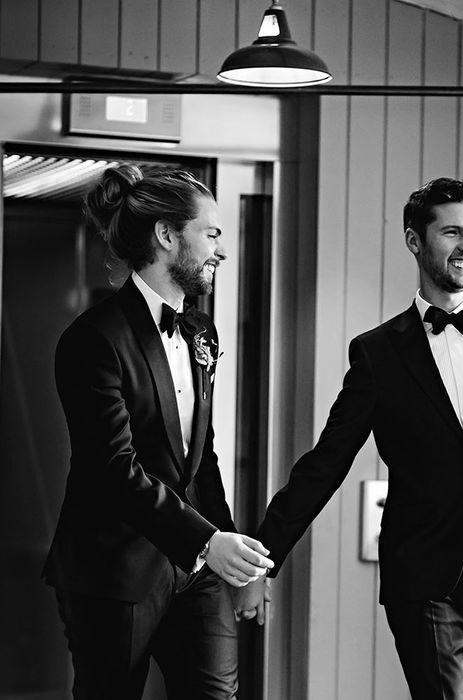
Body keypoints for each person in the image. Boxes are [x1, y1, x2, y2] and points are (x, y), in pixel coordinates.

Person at [238, 177, 463, 698]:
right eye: (451, 232)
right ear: (415, 241)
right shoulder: (378, 354)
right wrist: (262, 558)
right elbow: (325, 463)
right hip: (420, 572)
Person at [43, 165, 274, 700]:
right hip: (113, 569)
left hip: (198, 569)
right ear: (167, 236)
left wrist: (231, 555)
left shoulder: (201, 329)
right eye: (211, 233)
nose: (221, 249)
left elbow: (202, 458)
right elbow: (112, 469)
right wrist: (207, 541)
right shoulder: (93, 339)